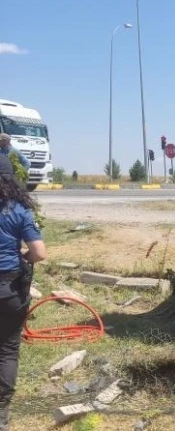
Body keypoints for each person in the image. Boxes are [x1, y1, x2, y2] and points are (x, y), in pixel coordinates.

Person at [0, 154, 45, 431]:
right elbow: (39, 253)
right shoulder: (18, 210)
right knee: (7, 349)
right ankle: (1, 411)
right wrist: (23, 258)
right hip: (10, 289)